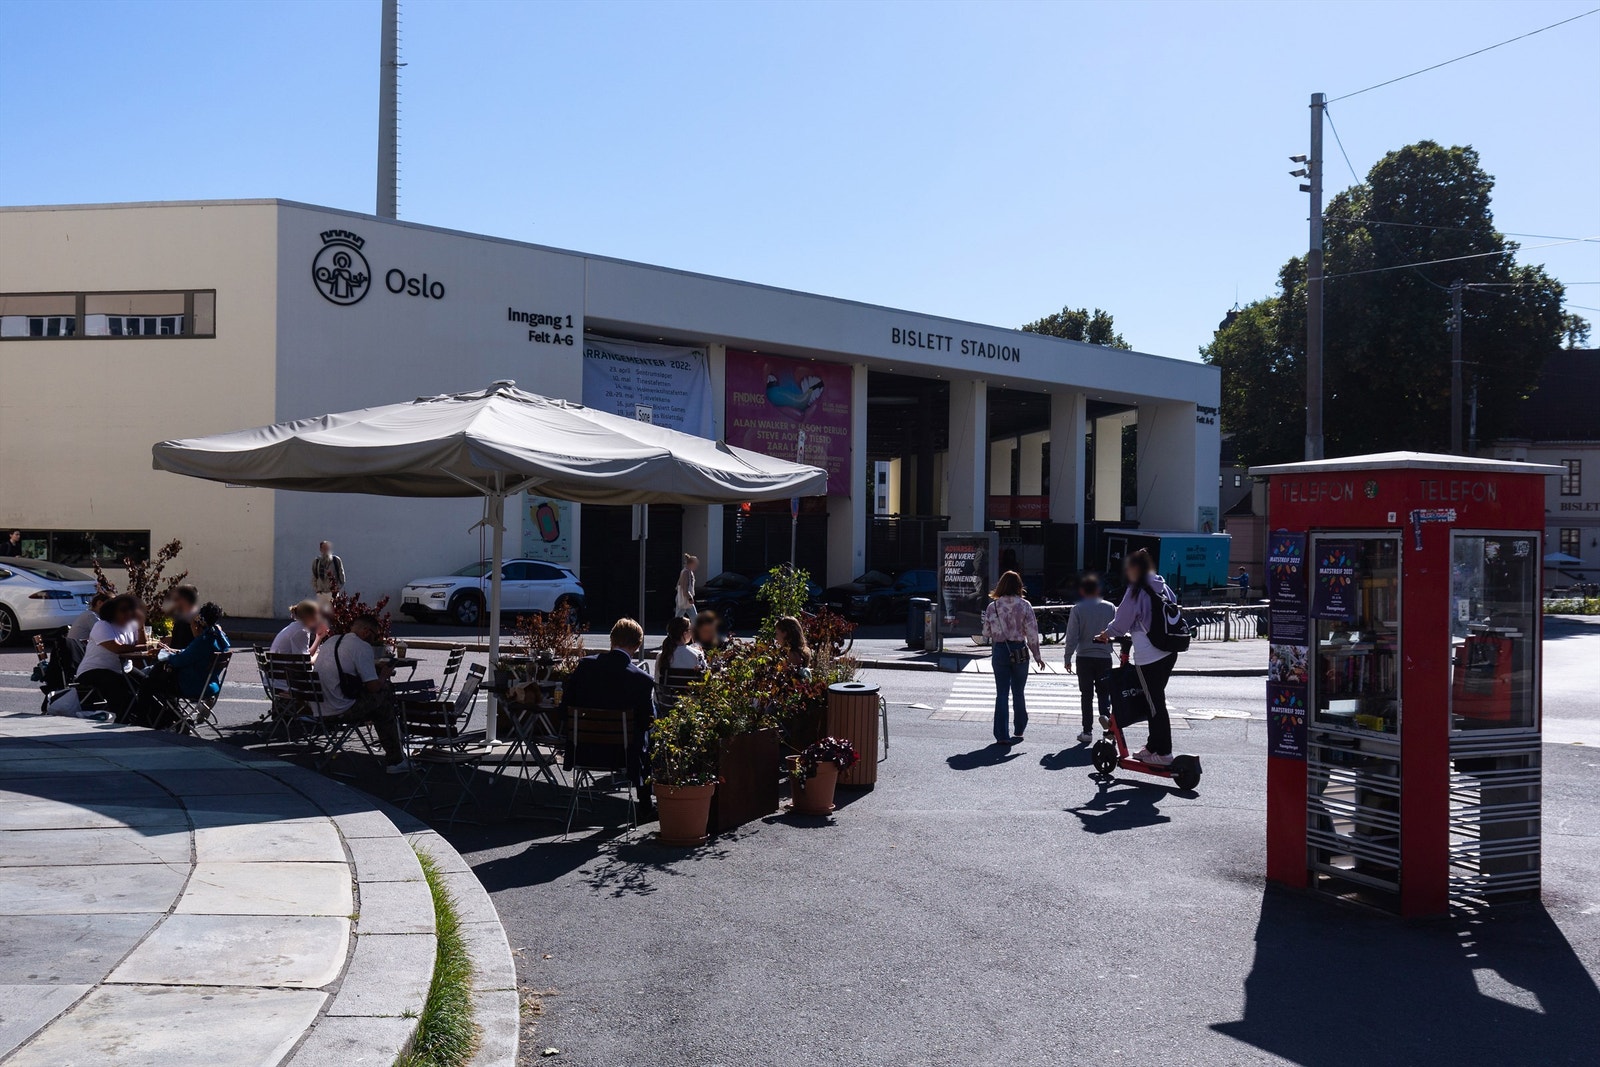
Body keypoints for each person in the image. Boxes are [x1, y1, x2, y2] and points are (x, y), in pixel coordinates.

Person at [560, 618, 658, 817]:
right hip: (624, 755)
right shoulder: (641, 680)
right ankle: (645, 803)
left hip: (584, 749)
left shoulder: (585, 667)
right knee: (649, 737)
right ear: (637, 646)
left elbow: (565, 706)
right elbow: (647, 722)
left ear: (611, 640)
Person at [1096, 548, 1178, 765]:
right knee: (1154, 699)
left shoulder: (1136, 590)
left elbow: (1121, 622)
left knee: (1155, 703)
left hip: (1149, 655)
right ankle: (1152, 747)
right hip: (1169, 651)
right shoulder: (1163, 586)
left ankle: (1164, 752)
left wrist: (1106, 635)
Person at [313, 614, 409, 773]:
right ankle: (396, 759)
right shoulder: (362, 647)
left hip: (318, 708)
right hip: (340, 710)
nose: (374, 639)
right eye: (375, 635)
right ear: (366, 631)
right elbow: (373, 687)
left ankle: (397, 749)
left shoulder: (331, 640)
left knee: (381, 704)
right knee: (384, 697)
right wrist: (384, 675)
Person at [128, 602, 230, 729]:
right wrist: (173, 651)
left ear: (198, 624)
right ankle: (175, 718)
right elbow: (189, 654)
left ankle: (145, 719)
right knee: (157, 680)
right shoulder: (215, 638)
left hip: (192, 685)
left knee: (150, 683)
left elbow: (178, 661)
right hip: (209, 684)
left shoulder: (202, 642)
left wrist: (166, 654)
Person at [982, 571, 1044, 746]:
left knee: (1001, 693)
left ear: (1001, 585)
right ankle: (1019, 728)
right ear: (1018, 586)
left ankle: (1002, 734)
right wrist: (1037, 656)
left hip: (1001, 650)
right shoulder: (1025, 606)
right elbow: (1032, 633)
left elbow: (986, 633)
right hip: (1019, 651)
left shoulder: (992, 607)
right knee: (1018, 691)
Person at [1062, 573, 1116, 744]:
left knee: (1086, 695)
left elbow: (1072, 636)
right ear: (1099, 590)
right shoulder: (1110, 608)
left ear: (1083, 591)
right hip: (1104, 657)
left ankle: (1087, 732)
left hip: (1084, 657)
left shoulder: (1077, 609)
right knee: (1104, 694)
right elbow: (1117, 630)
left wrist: (1067, 657)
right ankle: (1108, 731)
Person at [75, 594, 147, 718]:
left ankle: (156, 717)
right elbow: (117, 648)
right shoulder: (102, 626)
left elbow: (141, 644)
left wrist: (141, 626)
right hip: (95, 670)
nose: (128, 613)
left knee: (148, 683)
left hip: (123, 669)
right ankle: (124, 718)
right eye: (123, 610)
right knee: (118, 685)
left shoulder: (131, 625)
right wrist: (147, 648)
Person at [655, 615, 707, 684]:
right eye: (691, 630)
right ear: (685, 634)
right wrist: (700, 653)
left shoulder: (662, 655)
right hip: (690, 694)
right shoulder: (697, 655)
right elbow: (705, 678)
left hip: (666, 694)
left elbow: (657, 681)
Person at [164, 584, 201, 651]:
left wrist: (168, 650)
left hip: (183, 657)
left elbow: (188, 645)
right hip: (176, 654)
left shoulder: (194, 617)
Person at [674, 553, 698, 619]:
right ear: (691, 564)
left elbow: (678, 586)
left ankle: (695, 628)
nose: (696, 566)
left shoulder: (688, 572)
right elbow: (685, 588)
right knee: (679, 618)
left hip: (685, 599)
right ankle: (675, 628)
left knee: (694, 617)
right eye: (695, 564)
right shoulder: (686, 573)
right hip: (685, 599)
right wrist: (690, 598)